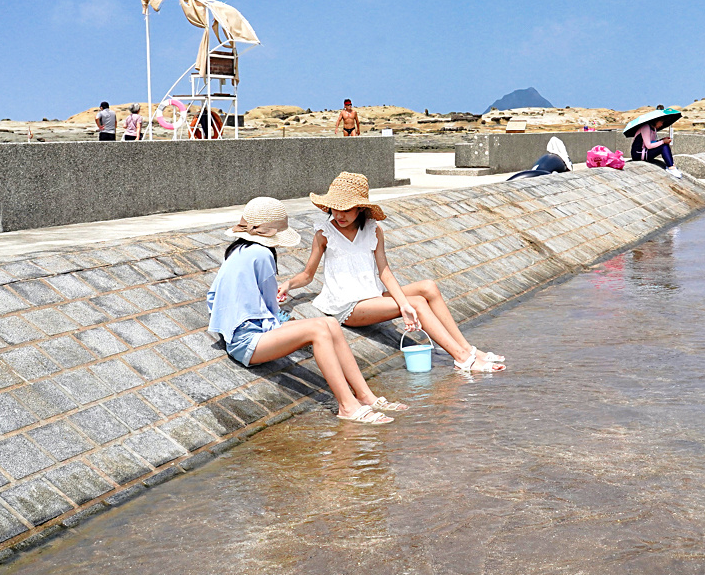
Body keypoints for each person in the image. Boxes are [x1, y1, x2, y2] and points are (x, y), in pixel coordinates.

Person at [279, 172, 506, 373]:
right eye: (335, 208)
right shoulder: (324, 233)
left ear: (360, 209)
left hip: (372, 297)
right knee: (417, 302)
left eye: (347, 209)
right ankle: (462, 359)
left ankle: (466, 348)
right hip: (347, 306)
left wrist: (402, 304)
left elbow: (384, 272)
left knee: (428, 287)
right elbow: (308, 275)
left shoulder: (373, 230)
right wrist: (288, 285)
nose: (339, 214)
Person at [206, 197, 405, 424]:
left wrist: (238, 320)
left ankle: (365, 396)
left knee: (329, 323)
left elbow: (212, 298)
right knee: (319, 330)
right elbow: (270, 305)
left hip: (247, 334)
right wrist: (263, 316)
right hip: (248, 343)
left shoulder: (239, 250)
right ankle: (348, 406)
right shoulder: (262, 255)